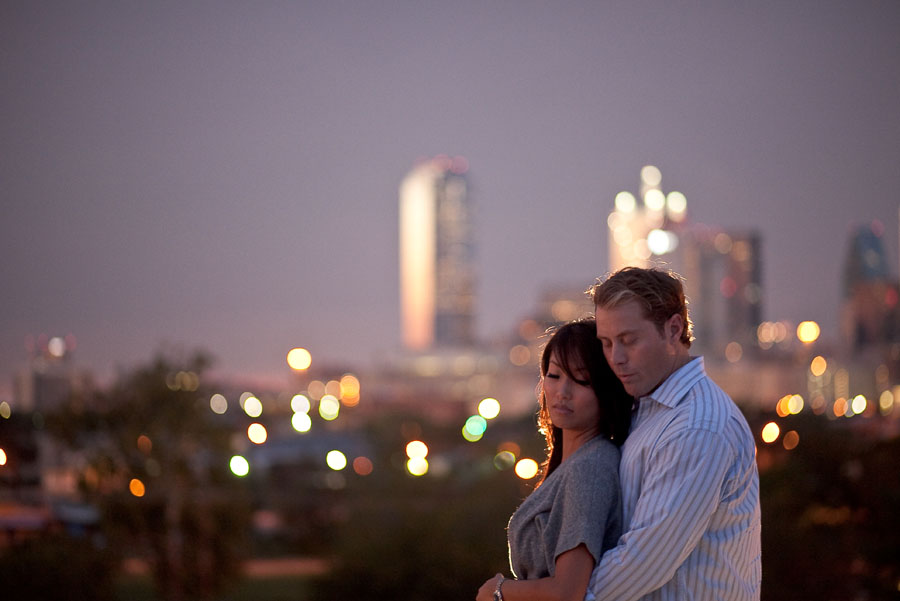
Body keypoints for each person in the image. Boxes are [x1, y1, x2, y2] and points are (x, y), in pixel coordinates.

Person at [585, 266, 761, 601]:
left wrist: (551, 594)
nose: (615, 358)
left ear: (674, 329)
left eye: (628, 340)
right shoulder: (645, 409)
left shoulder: (697, 427)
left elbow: (642, 564)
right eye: (606, 344)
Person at [477, 319, 633, 601]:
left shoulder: (592, 466)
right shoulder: (576, 462)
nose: (563, 392)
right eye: (554, 375)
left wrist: (498, 591)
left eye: (581, 380)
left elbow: (567, 591)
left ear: (606, 389)